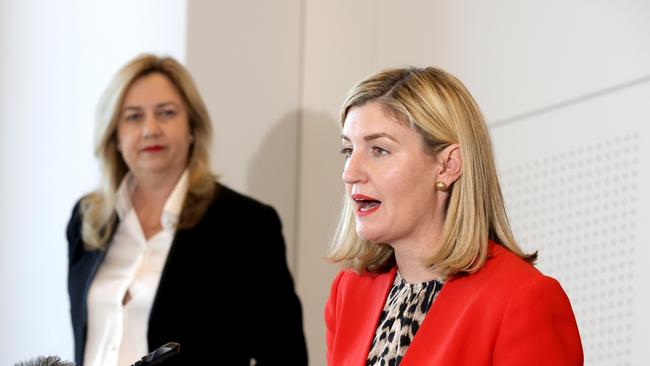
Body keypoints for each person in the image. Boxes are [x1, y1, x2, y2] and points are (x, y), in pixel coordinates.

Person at [325, 66, 583, 365]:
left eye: (379, 150)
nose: (350, 172)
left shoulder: (522, 300)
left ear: (448, 166)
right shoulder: (349, 290)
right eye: (348, 150)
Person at [67, 54, 308, 366]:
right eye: (133, 116)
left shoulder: (246, 225)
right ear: (114, 135)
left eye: (166, 113)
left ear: (193, 127)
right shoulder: (87, 218)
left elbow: (285, 355)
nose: (150, 129)